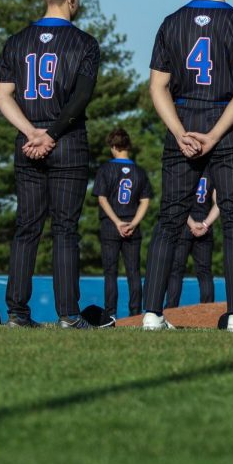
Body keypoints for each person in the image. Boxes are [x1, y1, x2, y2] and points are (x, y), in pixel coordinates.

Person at [140, 0, 233, 333]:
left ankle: (151, 314)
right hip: (223, 123)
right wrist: (213, 134)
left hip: (182, 120)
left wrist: (180, 131)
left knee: (169, 219)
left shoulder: (171, 22)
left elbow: (156, 87)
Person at [0, 0, 100, 329]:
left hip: (28, 144)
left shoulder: (17, 40)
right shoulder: (84, 44)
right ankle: (68, 314)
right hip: (66, 142)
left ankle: (17, 313)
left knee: (27, 228)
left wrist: (30, 132)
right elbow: (79, 100)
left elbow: (1, 95)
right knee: (65, 229)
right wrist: (49, 134)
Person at [93, 127, 151, 320]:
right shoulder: (140, 172)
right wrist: (133, 223)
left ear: (114, 146)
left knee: (111, 273)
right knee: (133, 272)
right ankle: (135, 314)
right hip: (132, 226)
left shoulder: (105, 169)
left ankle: (110, 314)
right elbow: (145, 201)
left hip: (111, 225)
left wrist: (117, 222)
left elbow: (102, 198)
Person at [165, 173, 217, 308]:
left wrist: (192, 223)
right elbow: (218, 204)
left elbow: (178, 202)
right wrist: (205, 224)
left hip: (184, 225)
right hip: (205, 224)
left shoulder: (185, 171)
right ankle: (208, 311)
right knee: (204, 271)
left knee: (176, 271)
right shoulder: (212, 172)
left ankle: (170, 310)